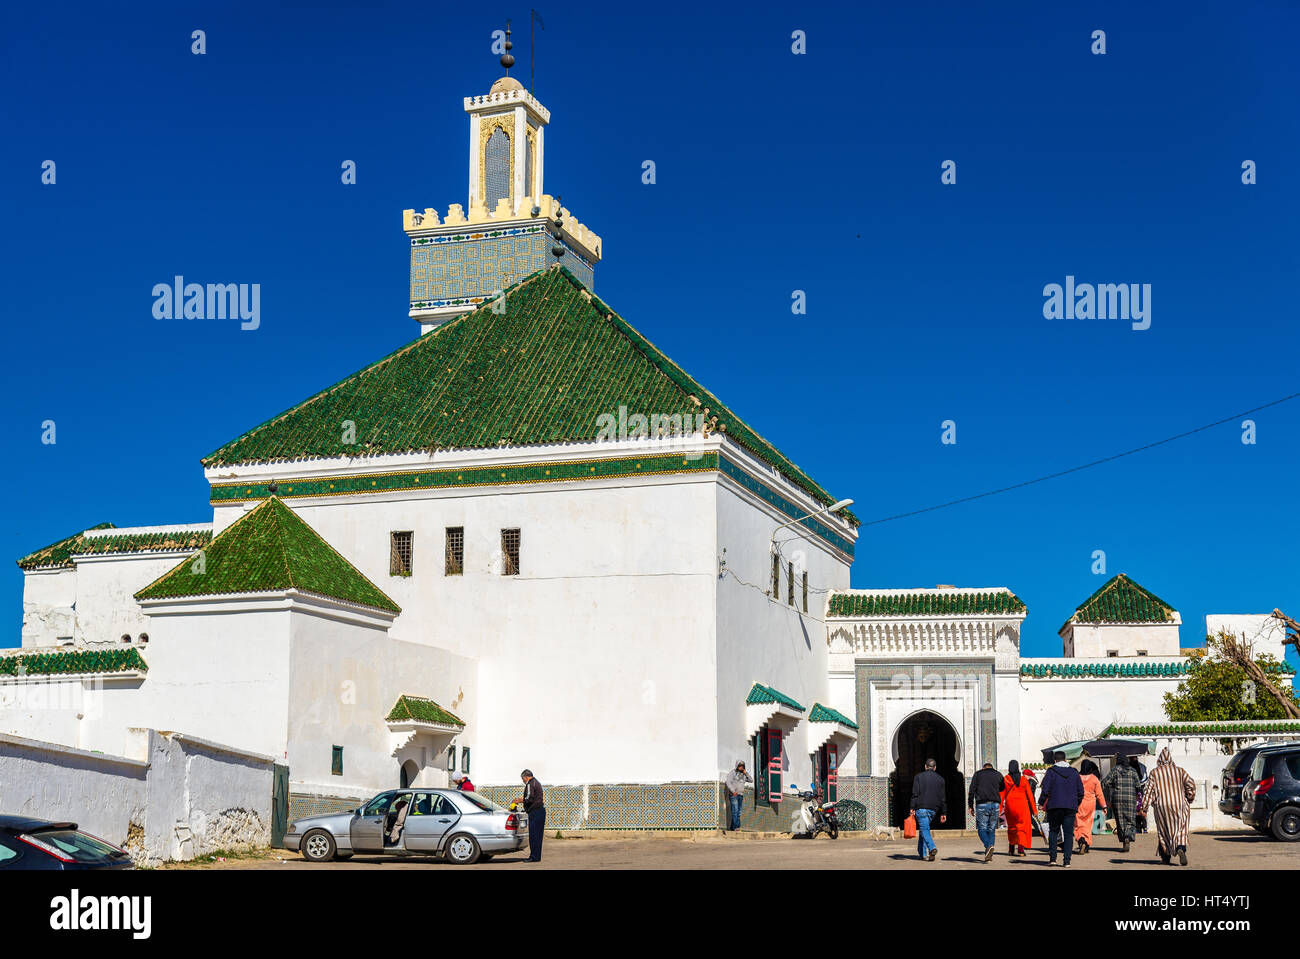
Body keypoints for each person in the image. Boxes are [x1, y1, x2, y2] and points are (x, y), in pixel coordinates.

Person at [1139, 747, 1196, 866]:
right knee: (1180, 829)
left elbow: (1148, 791)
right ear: (1170, 759)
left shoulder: (1155, 772)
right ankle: (1180, 848)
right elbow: (1191, 784)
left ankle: (1166, 857)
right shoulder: (1180, 771)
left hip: (1162, 806)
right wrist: (1190, 797)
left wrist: (1144, 808)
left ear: (1159, 760)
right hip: (1180, 804)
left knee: (1164, 831)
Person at [1039, 751, 1084, 867]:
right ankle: (1067, 861)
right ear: (1065, 760)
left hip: (1054, 806)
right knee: (1069, 833)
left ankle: (1053, 859)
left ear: (1055, 760)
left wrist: (1041, 802)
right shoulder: (1074, 772)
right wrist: (1075, 803)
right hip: (1070, 808)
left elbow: (1045, 789)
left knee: (1053, 832)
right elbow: (1081, 792)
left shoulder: (1051, 772)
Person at [909, 758, 947, 861]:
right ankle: (922, 853)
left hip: (921, 808)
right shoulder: (941, 779)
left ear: (925, 767)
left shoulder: (918, 777)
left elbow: (915, 794)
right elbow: (942, 798)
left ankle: (932, 847)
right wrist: (943, 812)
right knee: (923, 829)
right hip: (933, 809)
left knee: (925, 830)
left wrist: (912, 807)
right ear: (935, 768)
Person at [1102, 755, 1141, 852]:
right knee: (1130, 820)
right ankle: (1128, 836)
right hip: (1130, 798)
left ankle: (1124, 839)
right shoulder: (1133, 770)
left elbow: (1105, 782)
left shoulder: (1114, 770)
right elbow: (1138, 785)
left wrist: (1112, 784)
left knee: (1120, 821)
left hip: (1117, 799)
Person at [1000, 760, 1038, 857]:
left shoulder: (1006, 779)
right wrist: (1034, 810)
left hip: (1010, 805)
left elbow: (1002, 795)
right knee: (1022, 827)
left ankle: (1011, 848)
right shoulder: (1023, 780)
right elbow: (1030, 796)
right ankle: (1021, 850)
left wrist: (999, 810)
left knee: (1012, 826)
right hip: (1022, 805)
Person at [968, 761, 1004, 861]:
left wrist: (970, 805)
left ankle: (988, 846)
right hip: (995, 804)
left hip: (982, 804)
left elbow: (971, 790)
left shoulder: (978, 774)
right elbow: (1002, 787)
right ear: (992, 767)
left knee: (981, 829)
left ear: (983, 768)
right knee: (991, 829)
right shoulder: (998, 774)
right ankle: (990, 850)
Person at [1074, 759, 1107, 855]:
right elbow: (1099, 794)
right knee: (1088, 824)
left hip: (1078, 803)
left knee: (1078, 824)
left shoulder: (1077, 777)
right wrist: (1104, 806)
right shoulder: (1094, 779)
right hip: (1090, 804)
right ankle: (1087, 844)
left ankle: (1081, 840)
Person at [515, 769, 546, 862]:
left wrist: (520, 800)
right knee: (538, 836)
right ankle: (536, 856)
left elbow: (529, 798)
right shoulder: (536, 782)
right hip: (540, 811)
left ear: (526, 777)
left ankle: (533, 857)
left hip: (535, 812)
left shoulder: (530, 784)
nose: (523, 781)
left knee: (534, 836)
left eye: (522, 779)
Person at [723, 760, 752, 832]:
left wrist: (746, 773)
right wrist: (733, 791)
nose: (741, 767)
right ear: (737, 766)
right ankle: (737, 827)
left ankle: (733, 828)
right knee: (735, 810)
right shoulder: (732, 773)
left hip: (740, 795)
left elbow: (751, 780)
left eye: (742, 766)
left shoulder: (744, 775)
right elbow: (728, 782)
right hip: (734, 794)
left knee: (738, 812)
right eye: (740, 766)